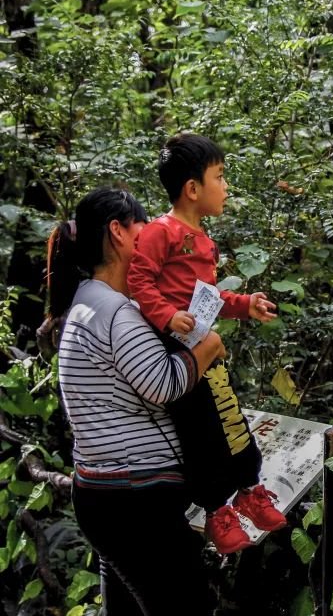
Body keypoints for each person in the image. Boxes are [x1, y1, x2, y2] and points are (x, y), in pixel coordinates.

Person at [51, 186, 224, 616]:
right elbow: (162, 384)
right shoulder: (116, 312)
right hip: (134, 500)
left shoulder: (87, 302)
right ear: (118, 232)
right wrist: (207, 349)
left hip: (107, 493)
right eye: (144, 229)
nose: (152, 240)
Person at [127, 133, 285, 554]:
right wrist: (166, 315)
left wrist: (245, 305)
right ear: (193, 189)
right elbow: (139, 280)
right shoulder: (161, 232)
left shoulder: (202, 239)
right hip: (177, 353)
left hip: (203, 347)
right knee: (202, 433)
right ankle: (217, 511)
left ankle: (250, 490)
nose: (226, 185)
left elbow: (207, 298)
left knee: (231, 418)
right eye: (220, 176)